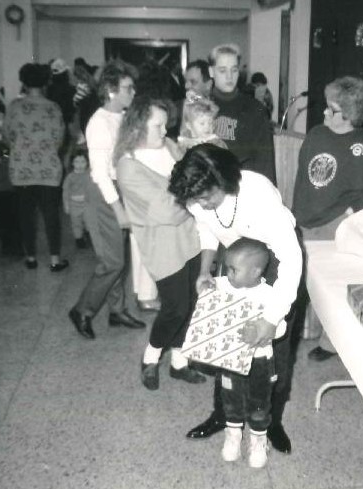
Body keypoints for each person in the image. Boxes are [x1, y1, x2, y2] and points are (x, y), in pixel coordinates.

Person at [168, 143, 302, 454]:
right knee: (225, 342)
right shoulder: (198, 197)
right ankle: (223, 414)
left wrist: (271, 318)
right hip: (236, 258)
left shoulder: (259, 196)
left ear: (225, 181)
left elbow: (292, 259)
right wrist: (206, 269)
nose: (200, 203)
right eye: (195, 199)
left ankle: (272, 422)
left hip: (277, 262)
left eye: (207, 197)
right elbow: (207, 229)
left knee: (274, 352)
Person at [292, 75, 363, 362]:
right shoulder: (315, 135)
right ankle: (300, 330)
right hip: (305, 219)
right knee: (299, 278)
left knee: (332, 286)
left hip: (336, 224)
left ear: (348, 115)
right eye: (327, 106)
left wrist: (349, 214)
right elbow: (304, 180)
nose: (325, 112)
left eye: (332, 109)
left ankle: (330, 342)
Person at [114, 96, 208, 389]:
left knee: (191, 304)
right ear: (138, 127)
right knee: (175, 308)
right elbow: (168, 211)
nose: (165, 131)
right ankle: (151, 357)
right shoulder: (128, 167)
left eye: (165, 125)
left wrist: (191, 191)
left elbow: (191, 184)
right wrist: (195, 192)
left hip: (191, 238)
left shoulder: (167, 146)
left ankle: (179, 362)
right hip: (163, 248)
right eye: (158, 126)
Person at [68, 60, 145, 340]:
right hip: (103, 192)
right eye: (128, 87)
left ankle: (116, 310)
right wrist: (119, 209)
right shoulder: (98, 122)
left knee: (118, 256)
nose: (133, 92)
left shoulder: (121, 117)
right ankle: (82, 310)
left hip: (118, 188)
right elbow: (100, 173)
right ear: (111, 90)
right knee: (113, 261)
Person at [210, 237, 286, 468]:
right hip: (230, 358)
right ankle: (232, 435)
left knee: (260, 402)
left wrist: (265, 329)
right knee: (230, 398)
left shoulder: (270, 295)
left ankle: (258, 439)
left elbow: (280, 326)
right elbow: (209, 297)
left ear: (255, 272)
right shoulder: (223, 285)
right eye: (227, 268)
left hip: (260, 361)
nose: (228, 274)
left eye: (234, 270)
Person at [1, 63, 69, 271]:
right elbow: (60, 139)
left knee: (25, 214)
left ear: (23, 82)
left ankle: (30, 257)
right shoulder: (53, 107)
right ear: (46, 81)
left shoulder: (14, 107)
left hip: (22, 169)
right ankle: (55, 259)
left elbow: (6, 136)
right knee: (51, 215)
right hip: (48, 169)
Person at [208, 44, 276, 184]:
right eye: (222, 70)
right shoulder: (199, 107)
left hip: (244, 188)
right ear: (211, 71)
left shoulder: (255, 109)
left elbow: (265, 162)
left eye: (234, 70)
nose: (229, 76)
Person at [62, 149, 92, 249]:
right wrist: (66, 205)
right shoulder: (70, 177)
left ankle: (89, 235)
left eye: (83, 162)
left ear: (87, 162)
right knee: (76, 223)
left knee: (89, 221)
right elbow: (65, 191)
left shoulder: (89, 175)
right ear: (72, 163)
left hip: (87, 204)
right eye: (76, 162)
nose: (79, 165)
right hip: (74, 205)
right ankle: (79, 239)